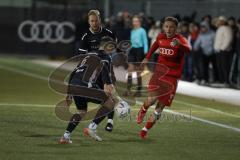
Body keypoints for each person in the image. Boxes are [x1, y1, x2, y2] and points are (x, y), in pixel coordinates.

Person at [137, 17, 191, 139]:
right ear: (163, 27)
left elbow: (189, 50)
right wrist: (147, 58)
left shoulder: (181, 40)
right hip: (159, 73)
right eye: (166, 26)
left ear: (176, 28)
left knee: (160, 107)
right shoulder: (161, 37)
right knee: (151, 100)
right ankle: (143, 109)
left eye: (171, 27)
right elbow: (155, 46)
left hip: (172, 77)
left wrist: (180, 45)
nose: (168, 29)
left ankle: (145, 130)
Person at [59, 37, 117, 144]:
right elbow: (107, 81)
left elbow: (74, 71)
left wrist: (69, 93)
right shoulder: (105, 57)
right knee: (110, 103)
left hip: (74, 86)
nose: (112, 50)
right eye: (111, 47)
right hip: (85, 86)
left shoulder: (87, 56)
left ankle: (65, 136)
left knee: (81, 112)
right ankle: (92, 127)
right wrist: (110, 89)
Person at [78, 10, 117, 132]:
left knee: (110, 94)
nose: (94, 23)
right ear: (89, 22)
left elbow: (112, 49)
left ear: (100, 20)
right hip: (94, 71)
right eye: (92, 21)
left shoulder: (108, 33)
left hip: (107, 68)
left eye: (96, 20)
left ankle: (110, 122)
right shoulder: (86, 36)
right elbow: (81, 56)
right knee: (104, 97)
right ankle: (95, 125)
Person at [123, 15, 148, 97]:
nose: (134, 23)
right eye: (133, 21)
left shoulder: (142, 30)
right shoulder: (132, 31)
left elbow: (145, 41)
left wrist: (145, 53)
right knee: (129, 70)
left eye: (136, 21)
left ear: (139, 22)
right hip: (132, 50)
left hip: (139, 51)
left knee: (138, 72)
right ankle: (128, 90)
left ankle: (138, 91)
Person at [214, 16, 233, 86]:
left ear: (223, 22)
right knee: (220, 66)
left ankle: (226, 81)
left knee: (225, 66)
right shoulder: (219, 28)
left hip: (224, 51)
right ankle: (222, 80)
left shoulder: (227, 28)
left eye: (220, 21)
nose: (218, 22)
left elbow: (228, 39)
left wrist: (223, 48)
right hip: (219, 50)